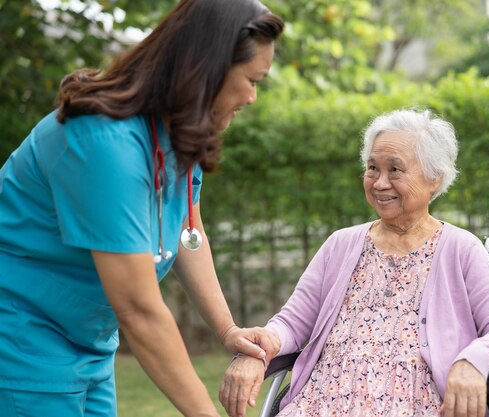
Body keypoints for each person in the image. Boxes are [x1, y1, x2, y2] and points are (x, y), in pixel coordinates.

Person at [0, 1, 283, 416]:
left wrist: (227, 328)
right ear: (207, 68)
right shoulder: (104, 143)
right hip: (22, 338)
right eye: (252, 79)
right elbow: (138, 309)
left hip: (89, 343)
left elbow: (189, 230)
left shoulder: (176, 131)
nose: (253, 97)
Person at [219, 109, 489, 417]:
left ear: (434, 178)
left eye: (395, 170)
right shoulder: (340, 245)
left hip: (418, 406)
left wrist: (473, 360)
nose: (380, 183)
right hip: (322, 404)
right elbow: (291, 323)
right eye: (372, 169)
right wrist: (258, 352)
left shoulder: (462, 249)